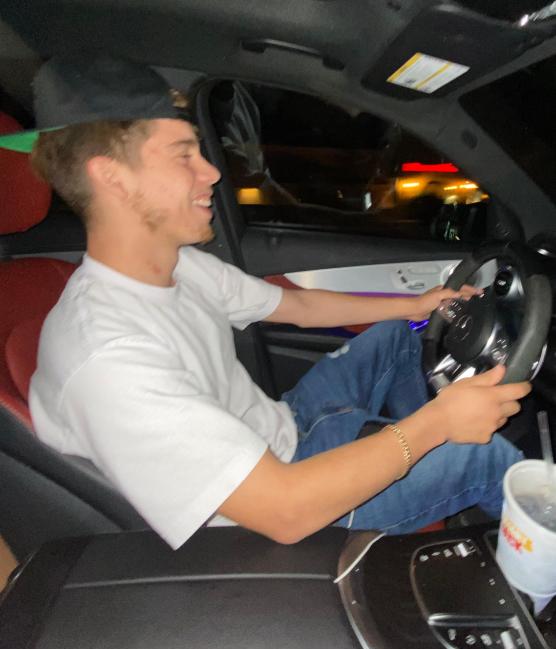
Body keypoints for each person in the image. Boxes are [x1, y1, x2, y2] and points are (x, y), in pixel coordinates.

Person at [1, 56, 530, 549]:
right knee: (485, 459)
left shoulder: (179, 265)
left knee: (399, 338)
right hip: (281, 505)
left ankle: (405, 475)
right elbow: (284, 511)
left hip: (283, 427)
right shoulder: (108, 358)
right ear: (112, 177)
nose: (211, 172)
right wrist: (436, 426)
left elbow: (298, 308)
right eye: (184, 155)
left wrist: (414, 306)